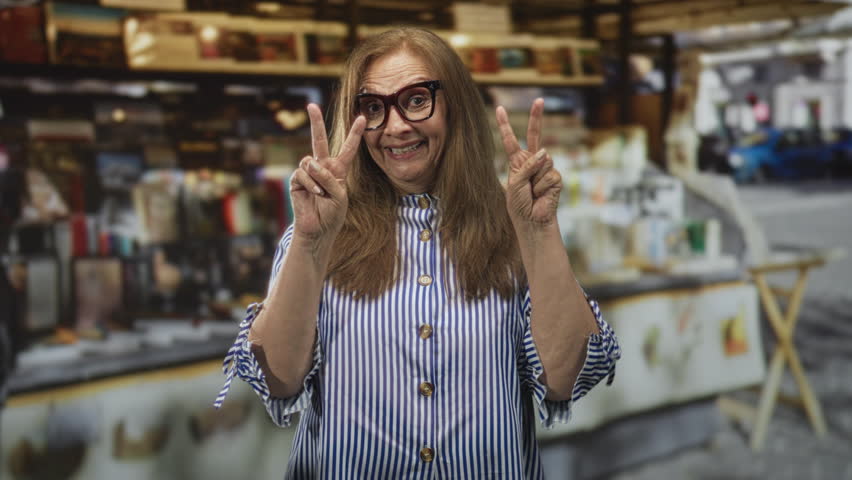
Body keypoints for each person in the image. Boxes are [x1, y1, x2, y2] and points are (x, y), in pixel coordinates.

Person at [216, 27, 621, 478]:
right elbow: (280, 379)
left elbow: (564, 379)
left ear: (456, 108)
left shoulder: (516, 228)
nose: (394, 127)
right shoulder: (319, 231)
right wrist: (312, 242)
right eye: (373, 108)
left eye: (415, 100)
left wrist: (539, 230)